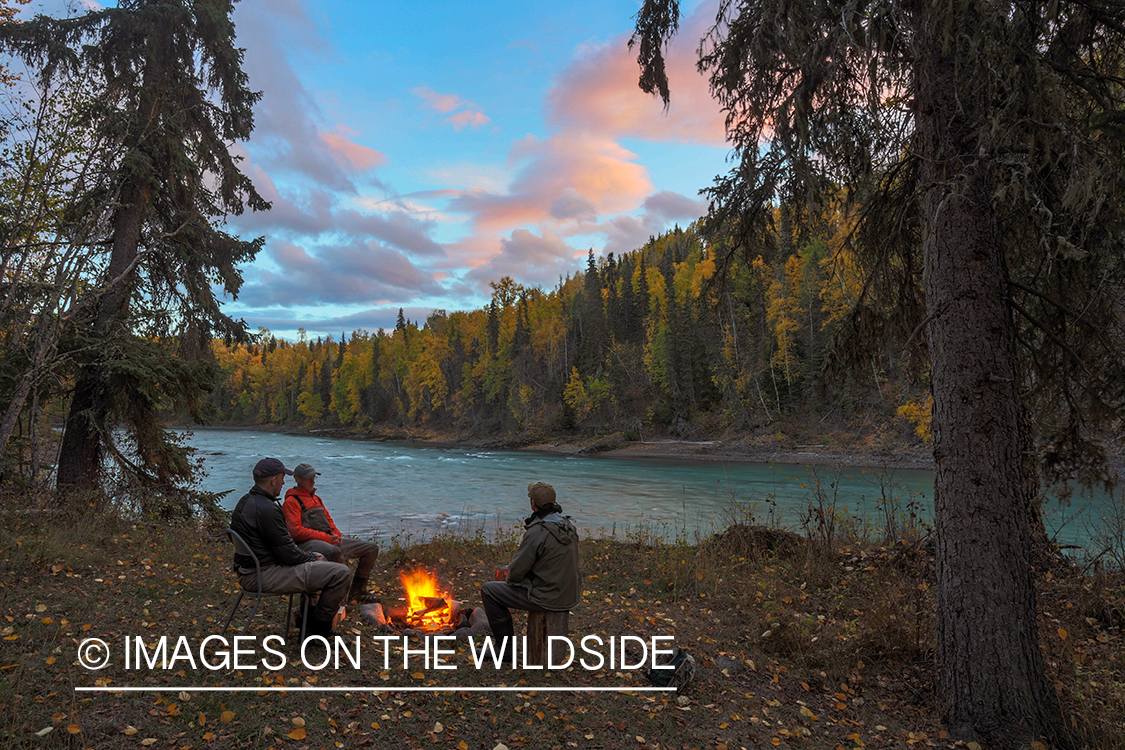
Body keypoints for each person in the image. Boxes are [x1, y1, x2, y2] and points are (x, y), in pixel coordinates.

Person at [230, 457, 351, 640]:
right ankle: (319, 634)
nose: (283, 482)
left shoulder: (246, 501)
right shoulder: (267, 509)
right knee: (340, 573)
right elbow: (288, 555)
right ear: (273, 480)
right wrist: (312, 557)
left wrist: (310, 556)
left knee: (320, 564)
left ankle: (307, 623)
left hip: (250, 569)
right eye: (281, 478)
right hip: (262, 575)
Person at [480, 481, 580, 661]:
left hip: (548, 597)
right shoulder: (567, 525)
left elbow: (516, 573)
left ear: (533, 503)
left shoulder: (537, 531)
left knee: (489, 590)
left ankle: (504, 650)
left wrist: (517, 579)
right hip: (568, 594)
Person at [282, 463, 380, 604]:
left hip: (328, 540)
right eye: (309, 478)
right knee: (333, 551)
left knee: (371, 549)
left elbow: (329, 520)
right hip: (306, 545)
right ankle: (336, 599)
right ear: (297, 479)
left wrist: (336, 535)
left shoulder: (317, 499)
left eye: (313, 477)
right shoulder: (291, 501)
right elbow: (296, 532)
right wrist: (327, 538)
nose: (312, 481)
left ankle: (357, 593)